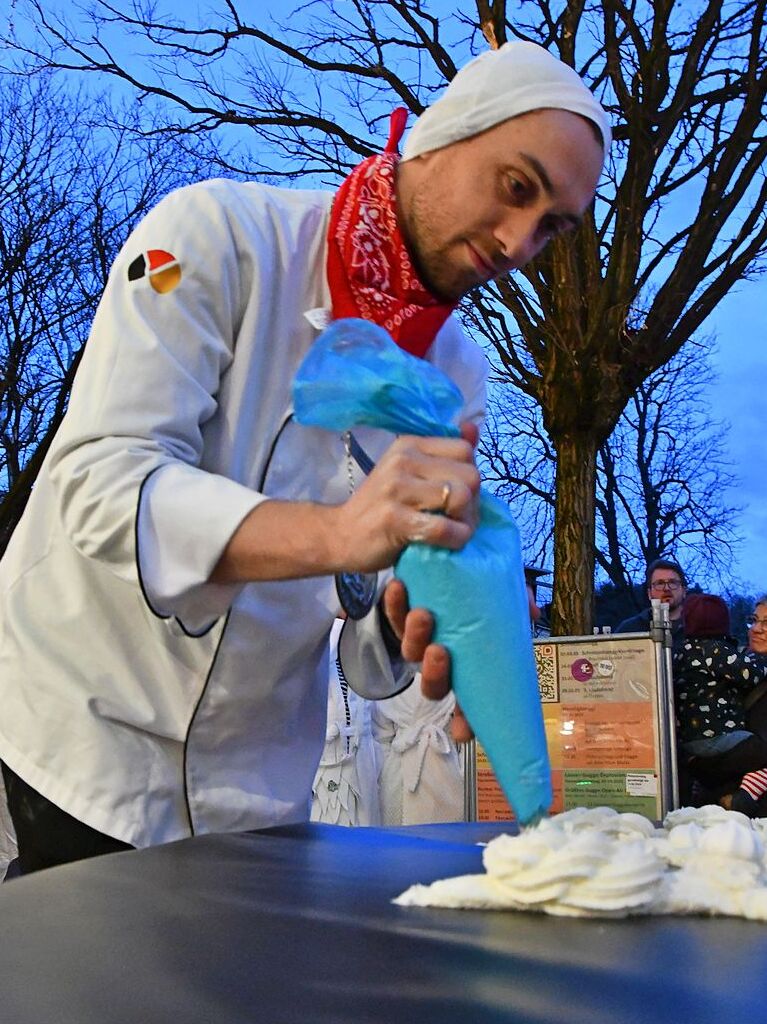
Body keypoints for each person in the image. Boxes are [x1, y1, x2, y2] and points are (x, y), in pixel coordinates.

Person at [0, 41, 610, 872]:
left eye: (552, 226)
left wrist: (405, 620)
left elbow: (361, 643)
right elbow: (100, 485)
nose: (517, 242)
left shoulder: (457, 378)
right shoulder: (215, 237)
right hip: (87, 737)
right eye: (515, 187)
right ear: (444, 133)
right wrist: (338, 534)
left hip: (259, 786)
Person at [673, 593, 767, 816]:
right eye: (753, 620)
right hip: (714, 774)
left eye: (766, 623)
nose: (756, 628)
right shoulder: (730, 660)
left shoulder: (698, 655)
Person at [615, 558, 687, 649]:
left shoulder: (700, 628)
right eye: (660, 583)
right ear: (649, 593)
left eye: (672, 582)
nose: (666, 588)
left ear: (684, 591)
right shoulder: (629, 630)